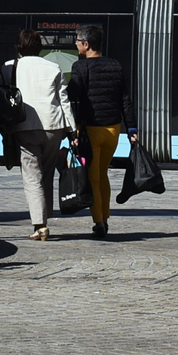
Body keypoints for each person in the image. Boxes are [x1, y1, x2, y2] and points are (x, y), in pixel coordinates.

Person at [3, 27, 73, 241]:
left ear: (19, 46)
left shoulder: (9, 68)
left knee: (32, 175)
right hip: (53, 126)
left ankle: (40, 224)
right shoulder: (54, 66)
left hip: (25, 126)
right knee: (48, 172)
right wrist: (72, 129)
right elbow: (64, 101)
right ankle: (45, 215)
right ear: (40, 47)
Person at [66, 24, 131, 239]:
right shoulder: (115, 66)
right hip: (113, 130)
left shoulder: (80, 67)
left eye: (77, 41)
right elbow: (125, 99)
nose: (76, 44)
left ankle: (99, 222)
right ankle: (105, 217)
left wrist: (73, 131)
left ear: (87, 44)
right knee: (102, 174)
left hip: (91, 130)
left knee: (92, 177)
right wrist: (132, 127)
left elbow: (73, 98)